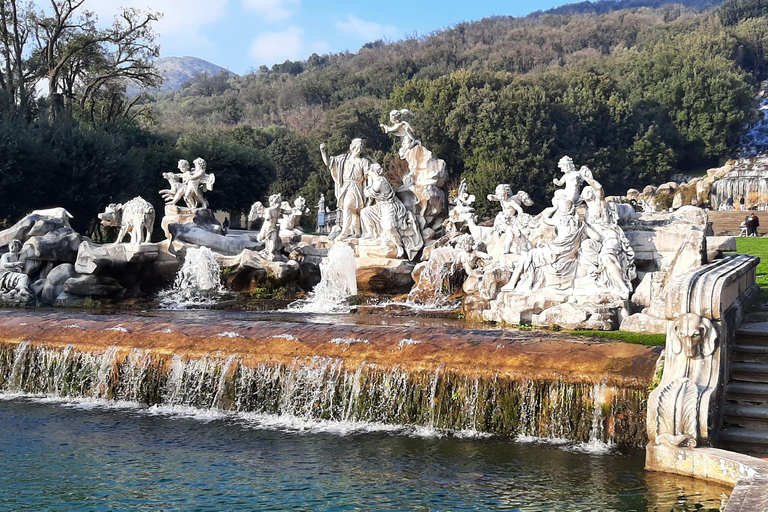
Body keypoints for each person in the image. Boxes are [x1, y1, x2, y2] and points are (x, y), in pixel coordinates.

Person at [320, 138, 375, 240]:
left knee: (348, 207)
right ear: (352, 148)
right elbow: (329, 162)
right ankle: (357, 232)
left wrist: (371, 189)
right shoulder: (343, 160)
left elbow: (370, 175)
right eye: (357, 148)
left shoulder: (364, 161)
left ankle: (345, 232)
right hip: (345, 186)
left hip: (356, 187)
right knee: (354, 211)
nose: (358, 150)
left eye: (360, 148)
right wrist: (323, 152)